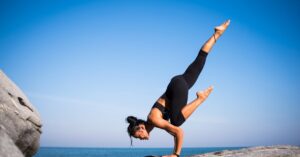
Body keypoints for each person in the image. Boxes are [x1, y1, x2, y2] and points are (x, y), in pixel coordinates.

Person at [126, 20, 230, 157]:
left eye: (139, 136)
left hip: (177, 88)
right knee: (200, 59)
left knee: (176, 121)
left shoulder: (153, 119)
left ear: (140, 128)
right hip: (177, 83)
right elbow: (173, 133)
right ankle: (217, 33)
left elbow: (179, 132)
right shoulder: (154, 122)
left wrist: (175, 155)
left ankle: (200, 98)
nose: (142, 139)